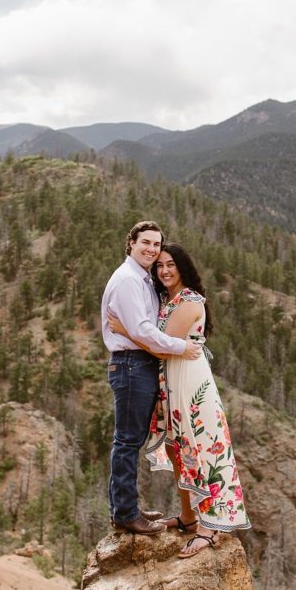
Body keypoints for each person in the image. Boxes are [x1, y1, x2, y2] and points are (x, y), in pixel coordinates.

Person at [109, 242, 251, 558]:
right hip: (170, 379)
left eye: (171, 264)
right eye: (159, 266)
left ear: (182, 266)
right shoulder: (168, 299)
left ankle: (209, 527)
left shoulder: (189, 301)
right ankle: (188, 517)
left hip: (189, 380)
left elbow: (160, 348)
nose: (165, 270)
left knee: (199, 446)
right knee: (176, 448)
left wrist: (125, 330)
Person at [101, 221, 202, 535]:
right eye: (145, 242)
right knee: (127, 441)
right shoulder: (129, 280)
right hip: (132, 365)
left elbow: (138, 327)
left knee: (130, 441)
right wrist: (181, 347)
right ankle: (126, 514)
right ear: (131, 242)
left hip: (139, 364)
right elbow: (144, 331)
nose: (151, 249)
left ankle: (126, 508)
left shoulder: (141, 279)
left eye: (156, 245)